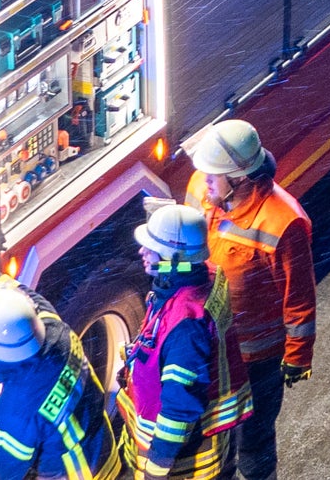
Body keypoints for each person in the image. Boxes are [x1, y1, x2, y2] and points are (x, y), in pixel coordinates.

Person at [189, 121, 313, 480]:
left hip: (256, 360)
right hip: (211, 348)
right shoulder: (204, 185)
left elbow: (299, 298)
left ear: (239, 178)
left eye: (213, 177)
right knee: (213, 435)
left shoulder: (282, 221)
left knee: (253, 441)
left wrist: (297, 357)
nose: (203, 182)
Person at [126, 205, 239, 480]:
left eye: (152, 248)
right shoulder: (205, 274)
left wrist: (157, 466)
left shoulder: (185, 326)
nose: (142, 252)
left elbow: (179, 408)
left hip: (188, 461)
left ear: (173, 257)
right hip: (212, 436)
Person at [0, 286, 125, 480]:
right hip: (104, 449)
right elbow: (31, 300)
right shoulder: (58, 332)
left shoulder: (17, 408)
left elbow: (10, 471)